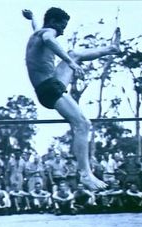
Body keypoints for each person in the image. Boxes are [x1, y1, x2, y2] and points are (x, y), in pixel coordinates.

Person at [23, 8, 121, 190]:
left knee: (76, 53)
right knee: (83, 124)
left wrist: (32, 18)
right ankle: (85, 173)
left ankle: (112, 49)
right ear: (53, 21)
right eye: (62, 25)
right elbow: (49, 39)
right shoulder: (48, 33)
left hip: (52, 83)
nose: (63, 31)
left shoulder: (39, 31)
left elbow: (39, 29)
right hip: (49, 89)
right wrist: (69, 62)